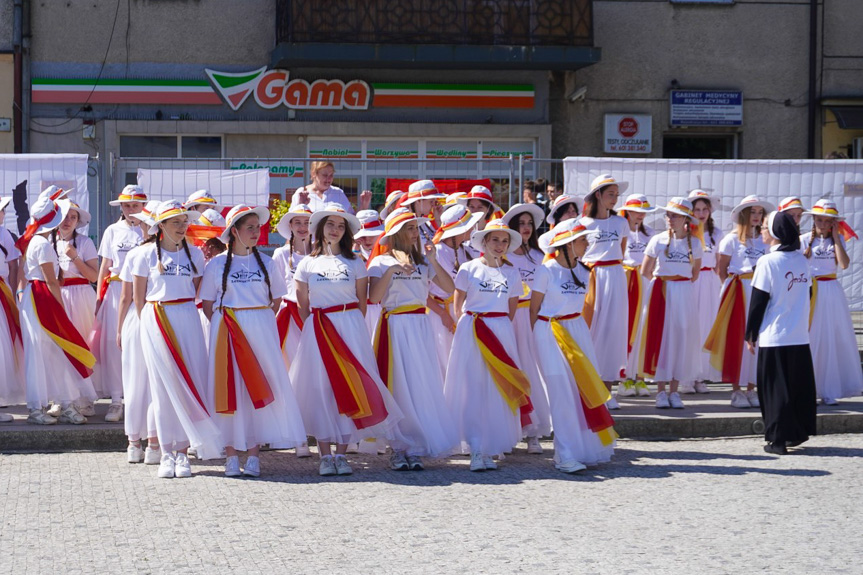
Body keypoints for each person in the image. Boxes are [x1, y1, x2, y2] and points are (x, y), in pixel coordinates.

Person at [288, 203, 403, 477]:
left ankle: (342, 453)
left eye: (341, 226)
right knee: (323, 390)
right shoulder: (307, 263)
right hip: (319, 329)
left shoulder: (355, 262)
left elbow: (362, 303)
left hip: (350, 328)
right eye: (330, 224)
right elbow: (303, 304)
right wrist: (320, 324)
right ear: (320, 228)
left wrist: (347, 324)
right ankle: (324, 455)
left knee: (352, 387)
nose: (335, 230)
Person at [201, 205, 308, 477]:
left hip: (260, 327)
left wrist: (256, 320)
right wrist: (233, 321)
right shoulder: (215, 264)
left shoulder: (268, 262)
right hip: (227, 329)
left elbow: (276, 300)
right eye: (249, 227)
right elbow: (208, 304)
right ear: (233, 231)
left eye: (257, 227)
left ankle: (253, 454)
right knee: (229, 387)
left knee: (259, 385)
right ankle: (230, 455)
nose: (255, 232)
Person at [131, 200, 222, 478]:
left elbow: (196, 291)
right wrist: (148, 326)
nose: (182, 227)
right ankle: (166, 452)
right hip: (156, 318)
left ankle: (183, 452)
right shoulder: (144, 254)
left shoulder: (195, 254)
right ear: (161, 226)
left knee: (188, 381)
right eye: (175, 223)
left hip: (186, 317)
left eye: (184, 222)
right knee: (162, 387)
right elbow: (138, 298)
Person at [368, 208, 458, 470]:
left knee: (420, 384)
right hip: (394, 325)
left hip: (419, 325)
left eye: (415, 228)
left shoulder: (423, 262)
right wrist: (392, 270)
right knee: (397, 385)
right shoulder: (381, 262)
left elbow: (450, 289)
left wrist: (433, 259)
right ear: (396, 233)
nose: (414, 233)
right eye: (409, 228)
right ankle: (398, 447)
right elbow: (374, 298)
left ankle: (416, 446)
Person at [529, 219, 617, 472]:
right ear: (567, 244)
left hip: (577, 332)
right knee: (560, 392)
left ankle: (581, 449)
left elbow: (586, 308)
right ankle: (564, 454)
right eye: (582, 240)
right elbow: (533, 310)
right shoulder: (546, 270)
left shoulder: (586, 271)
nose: (587, 244)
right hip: (550, 331)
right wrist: (538, 340)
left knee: (581, 390)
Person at [444, 219, 530, 472]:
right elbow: (458, 305)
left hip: (500, 331)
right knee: (474, 387)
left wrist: (497, 327)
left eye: (505, 241)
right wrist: (469, 325)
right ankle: (475, 446)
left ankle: (493, 443)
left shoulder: (512, 273)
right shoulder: (469, 269)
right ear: (483, 242)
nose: (500, 245)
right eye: (495, 240)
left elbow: (511, 309)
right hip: (473, 330)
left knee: (497, 386)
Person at [19, 196, 97, 425]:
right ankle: (37, 407)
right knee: (40, 353)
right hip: (40, 299)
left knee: (56, 352)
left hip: (41, 298)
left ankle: (64, 402)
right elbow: (51, 281)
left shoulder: (41, 241)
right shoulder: (41, 243)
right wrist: (60, 309)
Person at [745, 211, 816, 454]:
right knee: (796, 388)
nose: (761, 230)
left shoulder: (767, 262)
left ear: (775, 232)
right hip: (798, 335)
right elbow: (808, 294)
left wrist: (750, 334)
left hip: (774, 335)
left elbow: (757, 302)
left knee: (774, 390)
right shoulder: (802, 261)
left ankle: (777, 440)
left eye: (764, 227)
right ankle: (797, 432)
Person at [705, 195, 774, 409]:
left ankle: (752, 388)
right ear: (743, 214)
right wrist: (733, 289)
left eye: (760, 213)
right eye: (752, 212)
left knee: (757, 339)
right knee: (736, 339)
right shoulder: (731, 239)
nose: (756, 217)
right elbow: (721, 269)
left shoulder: (765, 240)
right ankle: (736, 390)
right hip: (737, 292)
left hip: (760, 291)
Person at [637, 198, 703, 409]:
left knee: (680, 338)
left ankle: (674, 391)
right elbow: (645, 271)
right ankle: (660, 391)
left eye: (674, 215)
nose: (669, 219)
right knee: (661, 337)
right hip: (662, 291)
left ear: (685, 218)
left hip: (683, 292)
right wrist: (664, 283)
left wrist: (678, 283)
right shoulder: (657, 240)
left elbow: (694, 274)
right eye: (668, 215)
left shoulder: (696, 243)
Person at [800, 199, 862, 404]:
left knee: (830, 339)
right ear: (813, 220)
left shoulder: (838, 241)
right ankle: (809, 387)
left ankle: (829, 388)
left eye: (828, 221)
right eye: (819, 220)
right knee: (810, 339)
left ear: (834, 223)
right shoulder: (802, 240)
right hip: (810, 291)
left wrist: (836, 238)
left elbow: (844, 265)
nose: (823, 225)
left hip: (832, 292)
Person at [93, 185, 147, 420]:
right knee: (114, 346)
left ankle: (141, 399)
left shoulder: (151, 230)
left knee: (142, 344)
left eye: (135, 205)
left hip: (143, 292)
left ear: (144, 206)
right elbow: (105, 265)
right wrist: (98, 296)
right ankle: (116, 399)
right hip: (116, 291)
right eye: (127, 205)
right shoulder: (112, 231)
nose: (131, 209)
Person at [502, 203, 552, 453]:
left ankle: (534, 432)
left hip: (535, 319)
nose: (526, 228)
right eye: (521, 224)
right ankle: (511, 431)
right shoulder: (504, 256)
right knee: (513, 372)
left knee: (534, 374)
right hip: (511, 320)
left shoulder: (540, 255)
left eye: (529, 223)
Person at [580, 174, 630, 410]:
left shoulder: (621, 222)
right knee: (590, 330)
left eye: (616, 195)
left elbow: (620, 251)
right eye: (610, 194)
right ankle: (588, 389)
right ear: (597, 195)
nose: (614, 199)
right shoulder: (583, 225)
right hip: (591, 278)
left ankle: (607, 391)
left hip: (615, 276)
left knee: (613, 331)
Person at [117, 203, 160, 464]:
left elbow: (127, 298)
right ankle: (154, 443)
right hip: (159, 319)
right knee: (156, 381)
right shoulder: (172, 252)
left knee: (134, 380)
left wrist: (120, 328)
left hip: (137, 317)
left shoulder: (137, 254)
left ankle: (134, 443)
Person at [272, 203, 314, 458]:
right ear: (289, 227)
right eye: (297, 223)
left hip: (312, 318)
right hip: (289, 319)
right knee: (289, 375)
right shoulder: (279, 254)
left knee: (312, 374)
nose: (302, 227)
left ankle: (317, 431)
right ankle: (295, 437)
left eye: (307, 222)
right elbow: (277, 290)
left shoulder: (320, 253)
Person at [428, 204, 483, 377]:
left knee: (464, 361)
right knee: (445, 361)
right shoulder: (435, 253)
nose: (473, 228)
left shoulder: (467, 251)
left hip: (463, 312)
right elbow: (422, 292)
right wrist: (442, 314)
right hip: (440, 314)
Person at [682, 189, 725, 394]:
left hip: (709, 282)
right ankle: (685, 377)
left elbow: (719, 264)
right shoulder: (685, 232)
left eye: (704, 209)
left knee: (707, 327)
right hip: (691, 281)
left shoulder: (717, 234)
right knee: (690, 327)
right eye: (696, 209)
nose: (700, 213)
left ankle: (701, 376)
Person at [617, 194, 656, 398]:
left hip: (645, 282)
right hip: (625, 281)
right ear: (627, 211)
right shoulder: (620, 231)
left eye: (643, 212)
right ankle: (624, 377)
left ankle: (639, 377)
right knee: (626, 326)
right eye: (636, 211)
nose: (640, 216)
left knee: (643, 327)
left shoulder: (651, 234)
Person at [0, 196, 24, 419]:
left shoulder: (4, 234)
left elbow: (13, 266)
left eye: (3, 211)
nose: (2, 214)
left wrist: (14, 293)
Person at [289, 161, 370, 213]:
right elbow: (292, 220)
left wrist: (364, 205)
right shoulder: (302, 192)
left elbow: (352, 218)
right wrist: (300, 205)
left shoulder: (338, 192)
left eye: (331, 175)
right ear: (314, 174)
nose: (329, 179)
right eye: (325, 175)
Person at [353, 209, 385, 337]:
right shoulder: (350, 255)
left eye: (371, 235)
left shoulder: (386, 253)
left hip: (381, 307)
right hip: (360, 309)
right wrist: (355, 253)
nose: (367, 239)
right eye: (362, 236)